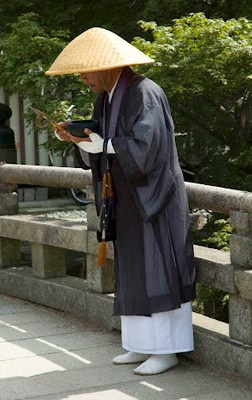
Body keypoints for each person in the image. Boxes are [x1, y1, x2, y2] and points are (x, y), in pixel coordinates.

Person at [46, 27, 195, 375]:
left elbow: (149, 146)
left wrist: (106, 146)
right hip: (126, 199)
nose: (83, 78)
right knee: (133, 269)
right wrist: (80, 139)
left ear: (107, 65)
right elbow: (103, 142)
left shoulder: (145, 92)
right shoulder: (107, 98)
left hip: (154, 197)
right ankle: (140, 344)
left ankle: (167, 349)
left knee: (158, 267)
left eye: (85, 70)